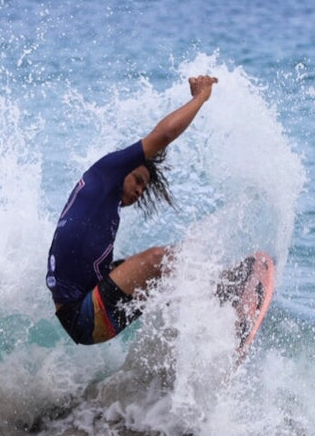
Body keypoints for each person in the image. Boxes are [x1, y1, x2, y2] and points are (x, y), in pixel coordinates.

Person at [46, 75, 218, 345]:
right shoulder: (105, 173)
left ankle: (198, 336)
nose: (139, 191)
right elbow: (164, 135)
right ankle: (221, 296)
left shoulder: (106, 207)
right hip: (82, 316)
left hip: (87, 306)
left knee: (165, 275)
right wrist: (200, 97)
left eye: (143, 187)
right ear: (123, 169)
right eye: (138, 180)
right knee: (156, 259)